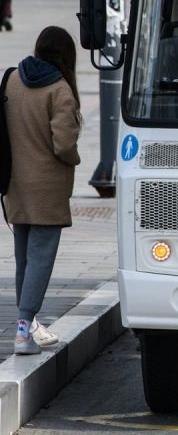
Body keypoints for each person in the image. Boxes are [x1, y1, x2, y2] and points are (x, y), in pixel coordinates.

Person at [4, 26, 81, 354]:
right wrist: (75, 157)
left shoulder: (12, 79)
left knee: (23, 258)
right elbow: (63, 145)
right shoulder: (60, 90)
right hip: (47, 188)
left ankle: (27, 327)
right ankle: (23, 330)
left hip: (15, 184)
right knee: (40, 259)